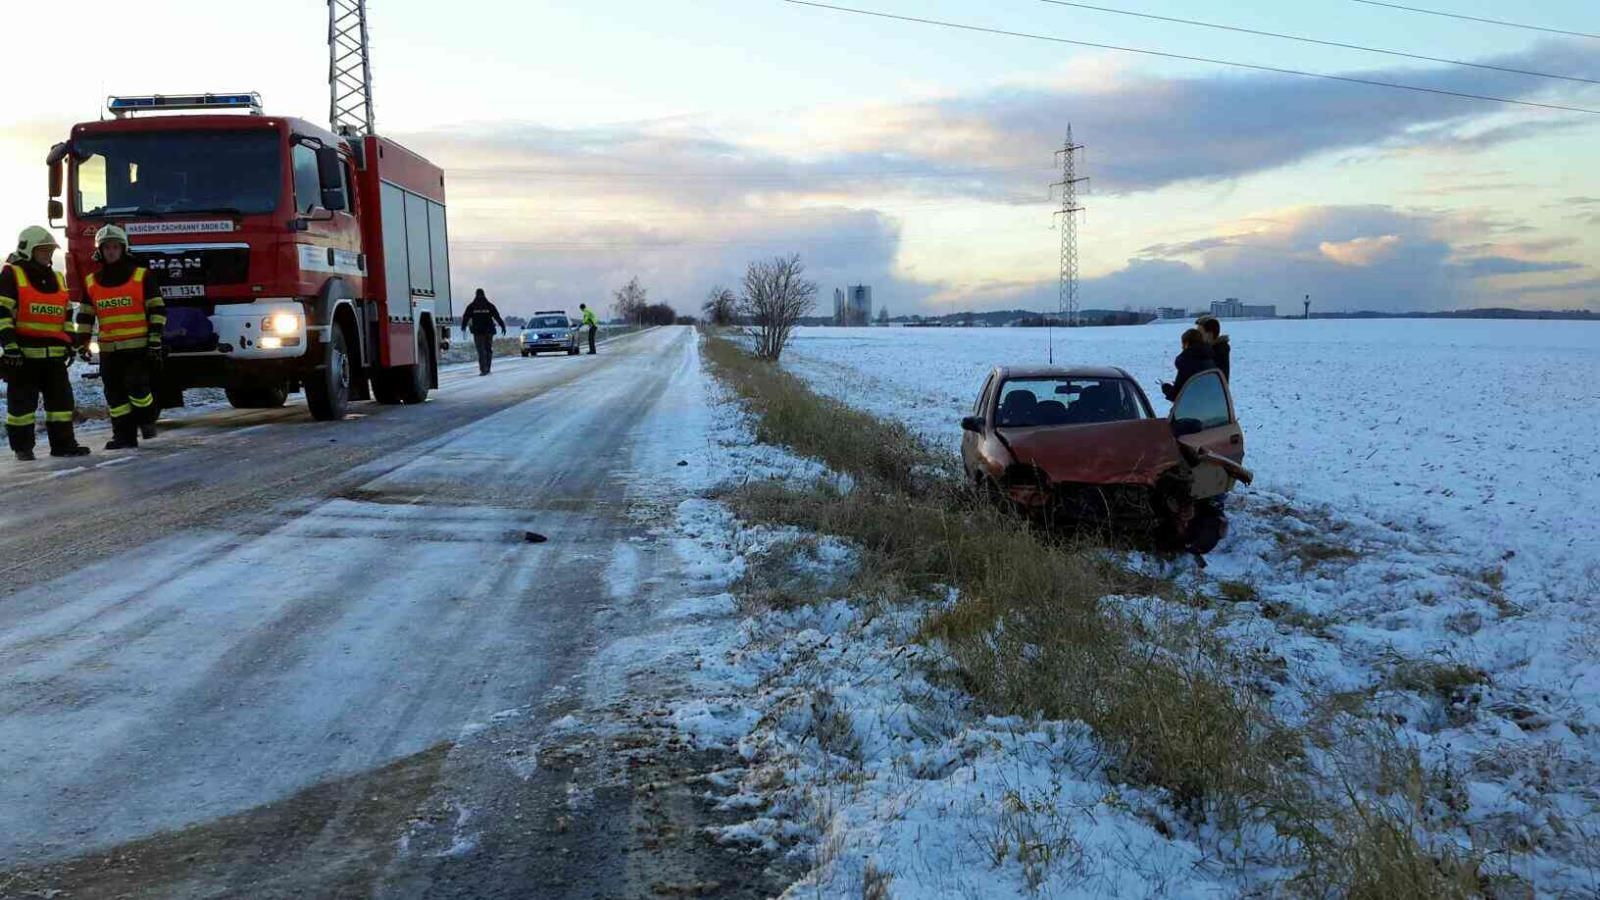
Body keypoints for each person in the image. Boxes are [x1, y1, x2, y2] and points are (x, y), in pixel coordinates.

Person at [0, 227, 90, 460]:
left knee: (61, 407)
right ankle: (23, 449)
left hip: (54, 358)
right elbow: (2, 314)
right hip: (24, 357)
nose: (47, 255)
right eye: (43, 251)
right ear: (28, 250)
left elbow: (66, 315)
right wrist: (9, 346)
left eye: (50, 251)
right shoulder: (12, 274)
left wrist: (71, 341)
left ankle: (64, 445)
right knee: (22, 409)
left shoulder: (57, 278)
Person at [77, 225, 165, 450]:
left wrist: (155, 340)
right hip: (109, 350)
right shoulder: (91, 282)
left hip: (138, 348)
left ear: (123, 249)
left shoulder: (141, 276)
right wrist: (82, 342)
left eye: (115, 247)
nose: (111, 252)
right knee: (115, 397)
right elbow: (85, 316)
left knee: (138, 389)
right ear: (100, 251)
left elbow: (157, 310)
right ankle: (124, 437)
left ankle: (146, 420)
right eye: (107, 248)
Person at [1161, 328, 1216, 401]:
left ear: (1186, 344)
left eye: (1183, 344)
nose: (1182, 347)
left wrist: (1165, 387)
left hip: (1192, 408)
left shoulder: (1187, 362)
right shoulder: (1210, 358)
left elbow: (1177, 396)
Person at [459, 288, 505, 375]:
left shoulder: (472, 306)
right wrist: (502, 326)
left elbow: (466, 317)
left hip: (478, 332)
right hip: (489, 331)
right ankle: (487, 368)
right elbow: (497, 316)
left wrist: (463, 327)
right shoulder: (489, 305)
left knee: (481, 351)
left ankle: (483, 369)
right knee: (488, 350)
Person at [1194, 314, 1231, 382]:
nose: (1197, 336)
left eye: (1200, 333)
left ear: (1210, 334)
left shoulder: (1218, 352)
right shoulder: (1213, 350)